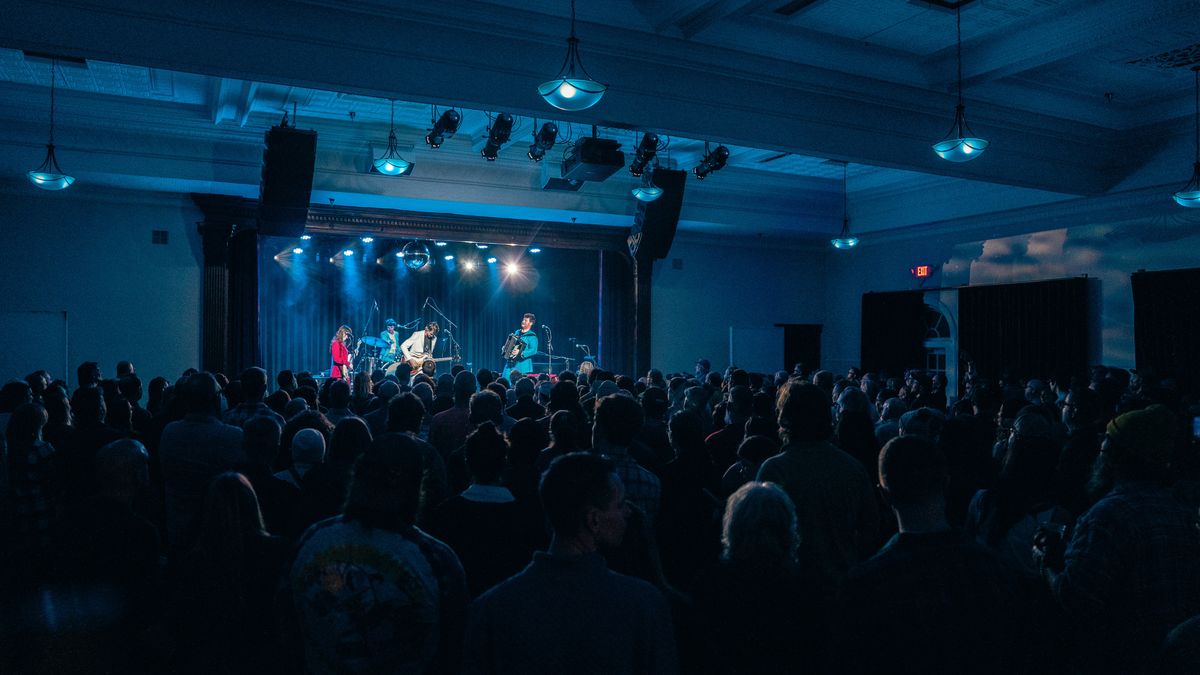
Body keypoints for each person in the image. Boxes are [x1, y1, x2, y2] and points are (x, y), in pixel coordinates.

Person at [462, 452, 677, 674]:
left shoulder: (491, 607)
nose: (627, 512)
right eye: (620, 504)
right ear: (593, 519)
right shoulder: (643, 604)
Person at [289, 434, 468, 674]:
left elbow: (285, 624)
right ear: (416, 487)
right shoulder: (437, 560)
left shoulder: (311, 541)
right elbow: (454, 650)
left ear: (358, 476)